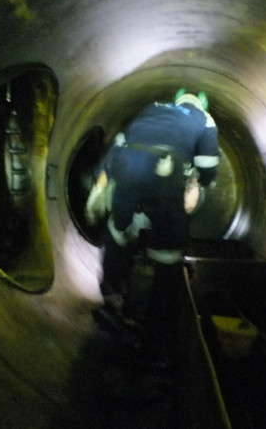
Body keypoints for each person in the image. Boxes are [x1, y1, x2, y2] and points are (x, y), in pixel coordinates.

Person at [85, 89, 220, 359]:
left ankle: (112, 297)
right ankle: (157, 327)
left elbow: (118, 146)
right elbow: (207, 167)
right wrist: (198, 186)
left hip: (127, 165)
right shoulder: (204, 119)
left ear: (176, 100)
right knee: (167, 255)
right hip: (165, 172)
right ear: (200, 103)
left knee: (118, 231)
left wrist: (100, 185)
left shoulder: (152, 108)